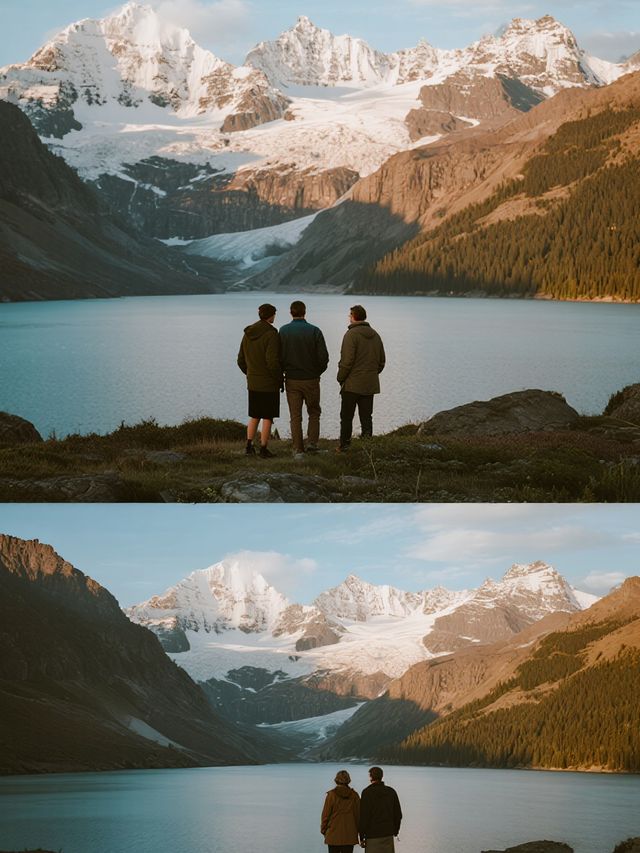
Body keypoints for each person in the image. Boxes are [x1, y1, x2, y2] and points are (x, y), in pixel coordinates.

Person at [279, 300, 329, 458]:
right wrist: (316, 372)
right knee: (314, 412)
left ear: (291, 312)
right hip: (311, 379)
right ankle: (312, 444)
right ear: (304, 312)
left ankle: (298, 449)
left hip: (292, 379)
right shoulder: (315, 331)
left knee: (295, 416)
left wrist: (284, 371)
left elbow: (279, 356)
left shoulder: (283, 331)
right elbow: (324, 358)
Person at [336, 305, 386, 452]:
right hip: (369, 383)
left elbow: (347, 361)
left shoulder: (350, 335)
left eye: (349, 315)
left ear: (353, 316)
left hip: (351, 384)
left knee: (346, 417)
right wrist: (372, 373)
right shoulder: (375, 335)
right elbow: (381, 361)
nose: (349, 317)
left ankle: (345, 446)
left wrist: (340, 378)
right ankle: (367, 447)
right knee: (366, 417)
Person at [237, 303, 282, 458]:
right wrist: (279, 379)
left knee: (255, 415)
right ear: (271, 315)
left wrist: (250, 374)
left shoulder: (248, 333)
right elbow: (272, 362)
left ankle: (249, 446)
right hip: (268, 383)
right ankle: (263, 448)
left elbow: (240, 360)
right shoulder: (272, 334)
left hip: (253, 382)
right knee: (268, 416)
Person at [359, 766, 402, 853]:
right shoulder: (391, 792)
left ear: (371, 777)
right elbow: (398, 814)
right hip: (388, 833)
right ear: (382, 776)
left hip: (372, 835)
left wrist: (361, 836)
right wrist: (395, 831)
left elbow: (364, 816)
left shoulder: (367, 792)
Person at [321, 769, 361, 853]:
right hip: (349, 835)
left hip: (333, 835)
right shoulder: (354, 795)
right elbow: (358, 816)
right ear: (348, 780)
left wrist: (324, 830)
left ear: (336, 780)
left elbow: (325, 815)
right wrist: (360, 834)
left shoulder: (331, 795)